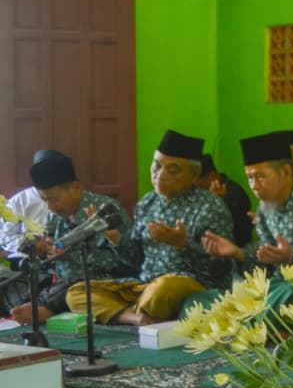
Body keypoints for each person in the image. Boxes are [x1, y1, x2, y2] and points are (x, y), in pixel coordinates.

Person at [66, 130, 233, 325]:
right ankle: (139, 319)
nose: (160, 175)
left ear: (194, 174)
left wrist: (184, 245)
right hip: (144, 285)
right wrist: (115, 238)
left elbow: (222, 269)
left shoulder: (210, 207)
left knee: (164, 287)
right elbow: (134, 260)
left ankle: (141, 312)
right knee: (77, 293)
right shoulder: (147, 203)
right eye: (157, 166)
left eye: (173, 170)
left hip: (187, 286)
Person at [198, 132, 293, 312]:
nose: (254, 185)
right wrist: (237, 252)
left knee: (282, 296)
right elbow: (266, 260)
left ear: (286, 172)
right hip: (276, 286)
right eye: (250, 177)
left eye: (260, 176)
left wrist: (292, 257)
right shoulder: (264, 208)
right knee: (200, 300)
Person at [7, 154, 133, 325]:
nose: (50, 207)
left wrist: (73, 258)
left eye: (54, 199)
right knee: (17, 287)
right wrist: (46, 252)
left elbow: (127, 262)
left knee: (74, 292)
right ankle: (44, 307)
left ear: (74, 187)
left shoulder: (105, 211)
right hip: (63, 283)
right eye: (44, 200)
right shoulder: (55, 216)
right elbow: (57, 262)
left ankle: (47, 309)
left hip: (102, 283)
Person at [1, 149, 65, 255]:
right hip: (33, 260)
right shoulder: (21, 200)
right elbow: (4, 236)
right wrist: (30, 245)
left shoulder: (71, 197)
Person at [197, 154, 253, 248]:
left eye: (197, 183)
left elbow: (240, 230)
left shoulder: (234, 192)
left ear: (212, 176)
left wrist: (218, 202)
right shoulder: (203, 193)